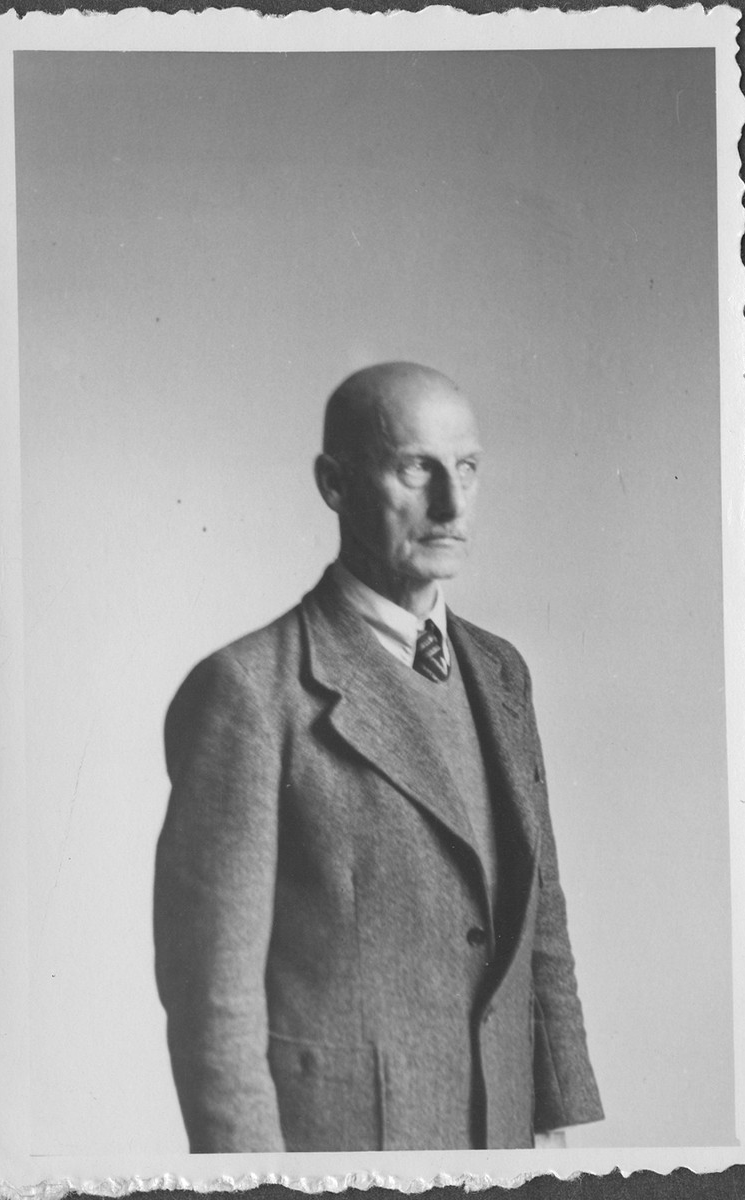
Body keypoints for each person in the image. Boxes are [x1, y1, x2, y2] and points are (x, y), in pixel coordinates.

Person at [153, 361, 604, 1153]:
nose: (452, 503)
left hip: (500, 1148)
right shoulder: (250, 691)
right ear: (335, 483)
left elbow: (543, 923)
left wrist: (556, 1128)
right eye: (415, 468)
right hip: (345, 1151)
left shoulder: (502, 673)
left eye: (467, 468)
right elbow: (212, 1008)